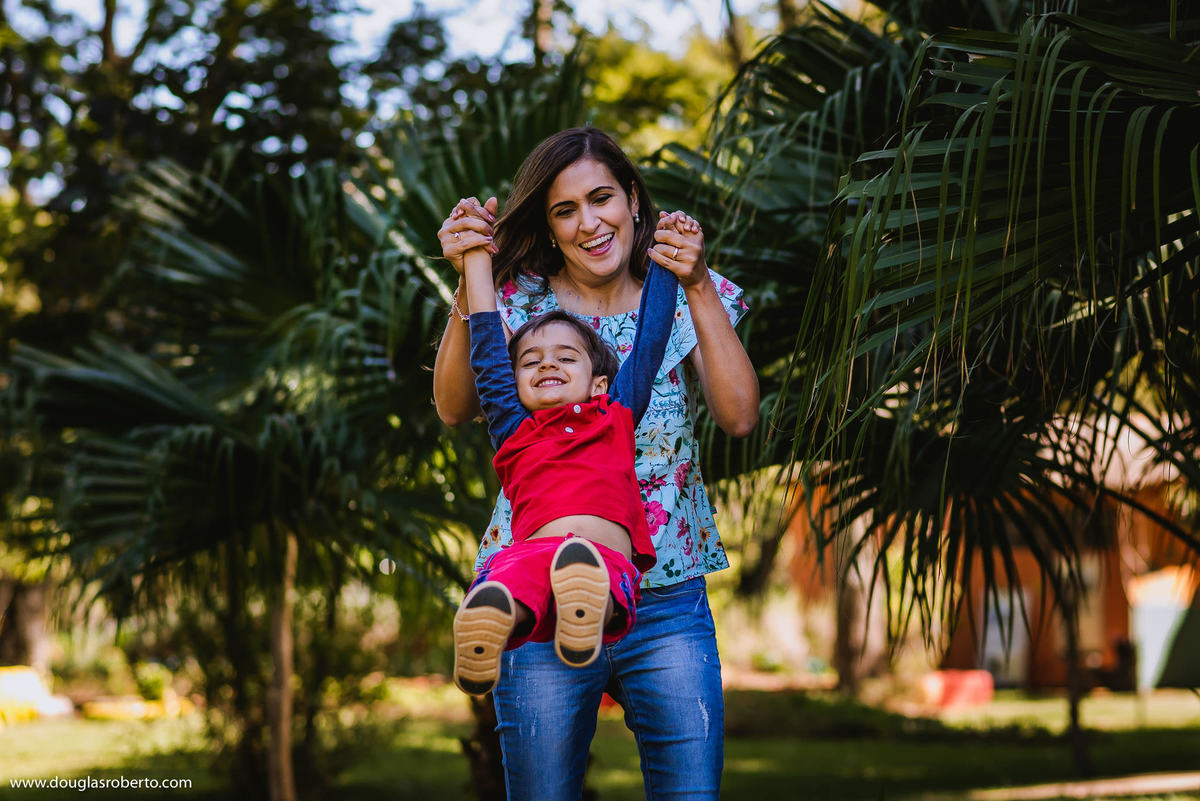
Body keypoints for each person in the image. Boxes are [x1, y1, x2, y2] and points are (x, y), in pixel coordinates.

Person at [434, 127, 758, 801]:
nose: (589, 223)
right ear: (549, 226)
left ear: (633, 199)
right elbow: (455, 405)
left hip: (665, 596)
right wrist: (470, 273)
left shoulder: (681, 290)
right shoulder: (515, 296)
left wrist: (694, 282)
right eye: (565, 209)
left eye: (602, 197)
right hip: (538, 586)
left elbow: (740, 414)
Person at [452, 230, 678, 695]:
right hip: (531, 556)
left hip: (603, 559)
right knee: (509, 586)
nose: (545, 364)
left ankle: (585, 611)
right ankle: (487, 624)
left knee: (602, 579)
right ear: (515, 386)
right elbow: (488, 352)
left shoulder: (615, 414)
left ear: (599, 383)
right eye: (530, 361)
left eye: (565, 357)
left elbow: (651, 337)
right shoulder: (514, 428)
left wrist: (666, 259)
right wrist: (475, 259)